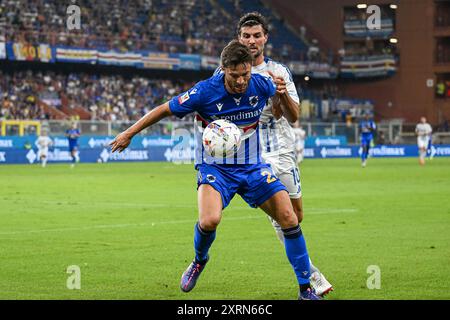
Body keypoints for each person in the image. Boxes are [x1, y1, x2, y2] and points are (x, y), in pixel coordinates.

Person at [110, 40, 321, 300]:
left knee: (289, 218)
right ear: (223, 70)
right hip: (216, 168)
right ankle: (200, 260)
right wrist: (129, 133)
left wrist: (280, 96)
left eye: (245, 74)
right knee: (209, 220)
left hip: (253, 166)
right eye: (235, 76)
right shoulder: (204, 92)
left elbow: (278, 112)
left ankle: (306, 289)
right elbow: (165, 109)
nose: (241, 81)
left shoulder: (261, 83)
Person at [236, 12, 332, 296]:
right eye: (246, 36)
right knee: (285, 216)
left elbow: (293, 116)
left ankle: (303, 263)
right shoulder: (227, 72)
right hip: (254, 156)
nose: (251, 41)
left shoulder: (279, 71)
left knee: (296, 216)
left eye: (256, 36)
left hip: (283, 151)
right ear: (238, 39)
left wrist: (281, 95)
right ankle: (310, 277)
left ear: (265, 38)